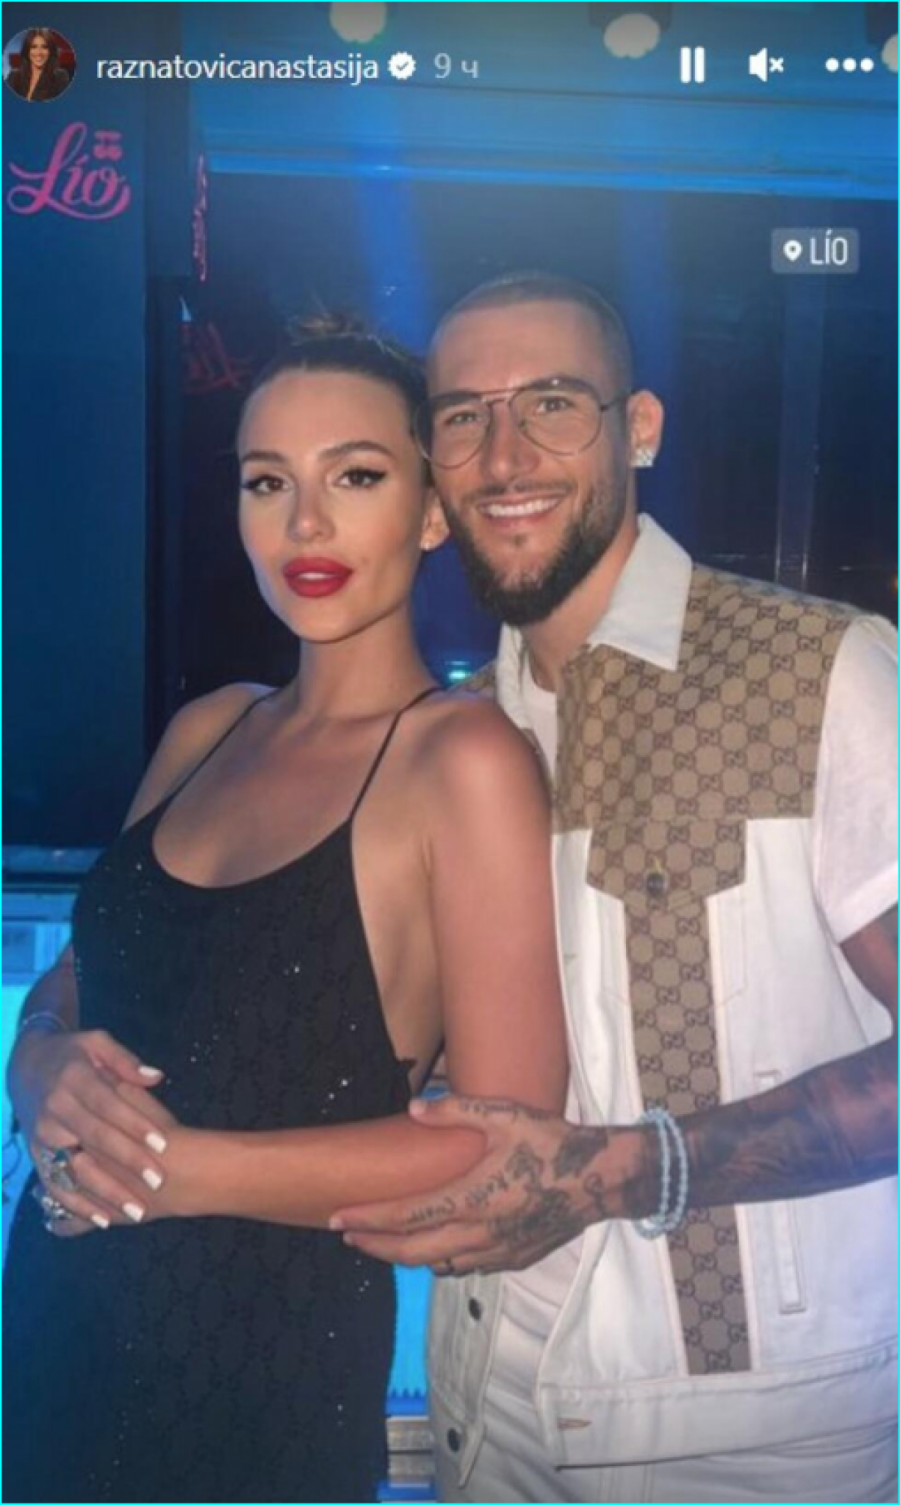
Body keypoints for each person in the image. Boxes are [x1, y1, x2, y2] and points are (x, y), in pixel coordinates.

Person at [335, 273, 899, 1503]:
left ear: (638, 427)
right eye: (464, 416)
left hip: (749, 1438)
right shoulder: (464, 729)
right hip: (487, 1399)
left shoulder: (816, 675)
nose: (504, 455)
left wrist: (641, 1168)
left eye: (552, 402)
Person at [2, 316, 568, 1503]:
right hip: (54, 1326)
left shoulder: (460, 759)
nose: (305, 524)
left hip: (252, 1370)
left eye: (353, 476)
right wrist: (35, 1054)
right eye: (268, 482)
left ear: (431, 510)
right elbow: (88, 968)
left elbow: (500, 1141)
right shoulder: (209, 727)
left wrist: (175, 1168)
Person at [6, 28, 71, 101]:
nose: (39, 52)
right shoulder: (14, 76)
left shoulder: (60, 77)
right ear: (27, 51)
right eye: (34, 47)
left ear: (51, 51)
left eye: (44, 47)